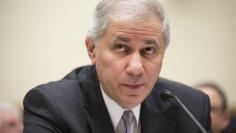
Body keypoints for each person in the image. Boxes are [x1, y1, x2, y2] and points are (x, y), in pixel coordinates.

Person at [23, 0, 211, 133]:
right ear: (92, 49)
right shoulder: (52, 107)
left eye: (149, 49)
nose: (136, 68)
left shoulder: (191, 108)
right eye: (121, 47)